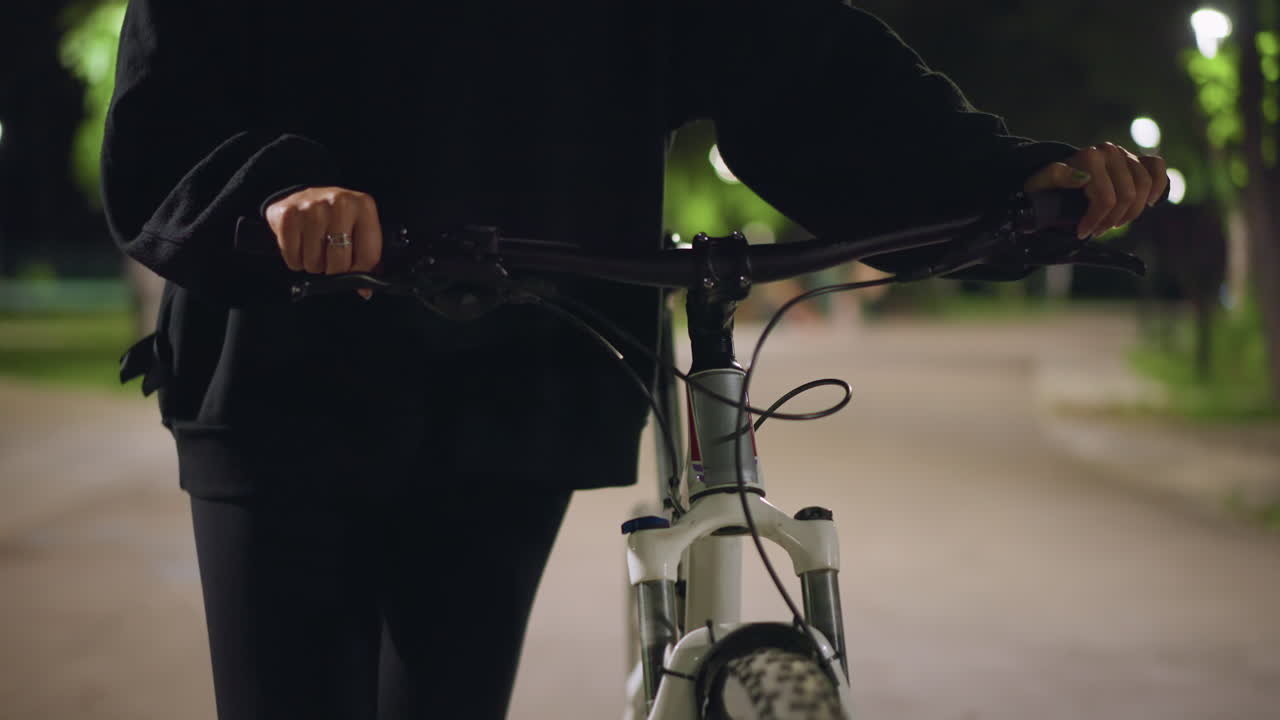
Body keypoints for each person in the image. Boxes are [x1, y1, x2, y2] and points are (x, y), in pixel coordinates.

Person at [102, 1, 1168, 717]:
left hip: (524, 361)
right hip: (288, 367)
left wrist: (1006, 186)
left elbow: (810, 74)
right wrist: (272, 195)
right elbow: (170, 104)